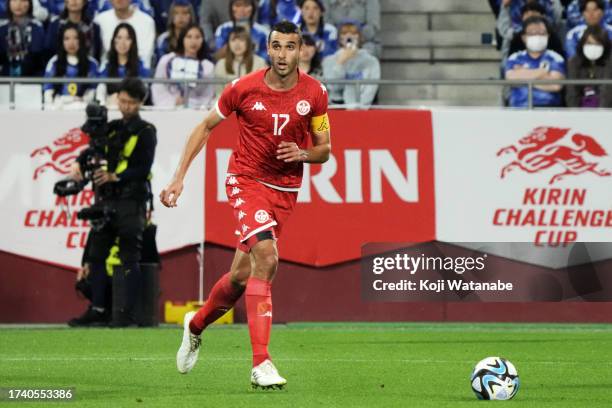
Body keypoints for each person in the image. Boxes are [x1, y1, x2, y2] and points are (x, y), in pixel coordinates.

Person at [160, 21, 331, 389]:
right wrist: (178, 177)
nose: (283, 54)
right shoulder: (242, 88)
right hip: (245, 180)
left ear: (301, 50)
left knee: (240, 277)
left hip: (284, 190)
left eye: (290, 47)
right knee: (267, 258)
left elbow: (324, 150)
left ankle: (195, 325)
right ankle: (261, 363)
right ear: (267, 49)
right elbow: (205, 127)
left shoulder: (315, 93)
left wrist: (303, 153)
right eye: (276, 46)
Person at [68, 77, 157, 327]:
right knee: (96, 255)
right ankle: (98, 308)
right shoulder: (112, 127)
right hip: (107, 200)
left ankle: (127, 313)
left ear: (140, 102)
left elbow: (143, 168)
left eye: (130, 102)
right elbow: (93, 149)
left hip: (132, 201)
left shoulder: (146, 131)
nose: (125, 106)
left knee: (130, 257)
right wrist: (79, 161)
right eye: (122, 100)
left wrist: (114, 176)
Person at [505, 16, 566, 107]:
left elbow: (556, 85)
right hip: (518, 108)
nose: (537, 36)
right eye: (532, 33)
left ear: (548, 36)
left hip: (548, 109)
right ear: (524, 37)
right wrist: (541, 72)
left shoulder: (556, 58)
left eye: (541, 33)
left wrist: (523, 75)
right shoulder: (514, 58)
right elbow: (510, 79)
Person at [152, 24, 216, 108]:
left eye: (198, 37)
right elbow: (158, 87)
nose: (193, 41)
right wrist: (173, 101)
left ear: (202, 40)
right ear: (182, 39)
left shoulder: (208, 66)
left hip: (195, 110)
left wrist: (190, 103)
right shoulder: (167, 60)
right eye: (189, 37)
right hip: (168, 107)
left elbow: (208, 95)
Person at [322, 20, 380, 107]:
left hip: (363, 111)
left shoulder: (371, 61)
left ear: (359, 37)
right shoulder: (329, 60)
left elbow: (370, 89)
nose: (349, 37)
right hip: (336, 109)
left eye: (353, 33)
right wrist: (340, 63)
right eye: (344, 33)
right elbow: (333, 87)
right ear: (339, 38)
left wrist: (358, 108)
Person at [43, 22, 99, 108]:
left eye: (75, 38)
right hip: (59, 108)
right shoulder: (54, 62)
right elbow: (48, 91)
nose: (71, 43)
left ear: (81, 40)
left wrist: (78, 101)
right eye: (67, 39)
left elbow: (92, 91)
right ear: (61, 41)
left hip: (82, 107)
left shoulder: (92, 63)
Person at [97, 23, 151, 107]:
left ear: (133, 42)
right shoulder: (106, 65)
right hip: (111, 106)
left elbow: (144, 90)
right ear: (114, 40)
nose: (123, 42)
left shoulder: (140, 65)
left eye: (128, 38)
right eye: (119, 38)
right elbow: (100, 88)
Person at [95, 0, 156, 68]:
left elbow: (145, 58)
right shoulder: (100, 20)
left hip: (137, 72)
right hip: (106, 74)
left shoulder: (147, 22)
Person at [498, 2, 565, 65]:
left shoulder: (553, 38)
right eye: (526, 13)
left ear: (542, 16)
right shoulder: (516, 38)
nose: (530, 16)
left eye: (534, 13)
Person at [567, 24, 612, 106]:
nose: (593, 47)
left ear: (605, 46)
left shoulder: (610, 61)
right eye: (589, 43)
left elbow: (607, 92)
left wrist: (601, 115)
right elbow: (572, 92)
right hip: (579, 111)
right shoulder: (574, 62)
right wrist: (574, 115)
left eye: (598, 44)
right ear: (582, 44)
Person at [213, 26, 267, 94]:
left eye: (241, 40)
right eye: (233, 40)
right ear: (228, 44)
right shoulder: (221, 64)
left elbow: (262, 91)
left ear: (248, 43)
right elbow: (219, 93)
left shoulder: (260, 63)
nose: (237, 44)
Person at [0, 0, 46, 76]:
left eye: (23, 0)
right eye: (14, 0)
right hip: (4, 79)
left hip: (32, 79)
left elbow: (39, 57)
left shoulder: (37, 27)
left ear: (30, 3)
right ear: (8, 3)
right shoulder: (2, 27)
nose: (18, 4)